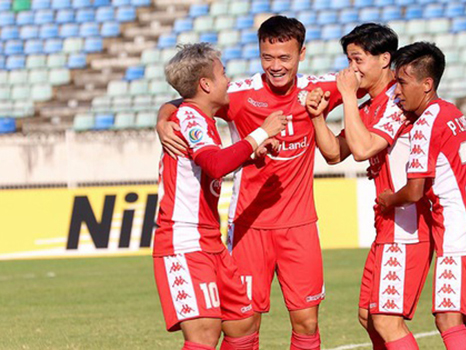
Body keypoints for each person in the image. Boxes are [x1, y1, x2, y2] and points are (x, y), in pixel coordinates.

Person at [156, 16, 342, 350]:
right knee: (242, 323)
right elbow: (186, 100)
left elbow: (369, 80)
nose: (276, 66)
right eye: (267, 57)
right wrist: (161, 119)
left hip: (299, 225)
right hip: (247, 226)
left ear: (302, 53)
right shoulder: (237, 95)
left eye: (284, 57)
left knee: (307, 321)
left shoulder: (321, 89)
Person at [153, 43, 288, 350]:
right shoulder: (190, 118)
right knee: (204, 334)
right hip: (184, 240)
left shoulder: (202, 118)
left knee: (242, 324)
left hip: (209, 240)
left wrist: (252, 155)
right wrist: (261, 133)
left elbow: (210, 163)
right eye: (223, 73)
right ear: (205, 84)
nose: (228, 80)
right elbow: (214, 166)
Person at [305, 24, 432, 350]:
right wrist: (318, 117)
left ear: (384, 58)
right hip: (388, 224)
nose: (352, 69)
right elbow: (335, 154)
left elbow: (362, 149)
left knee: (387, 321)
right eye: (349, 60)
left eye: (358, 59)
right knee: (368, 315)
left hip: (408, 224)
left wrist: (346, 95)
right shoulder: (370, 107)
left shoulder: (397, 101)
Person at [377, 42, 466, 350]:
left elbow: (414, 190)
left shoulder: (424, 125)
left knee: (448, 320)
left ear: (426, 84)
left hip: (456, 233)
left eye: (402, 83)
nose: (396, 91)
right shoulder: (452, 112)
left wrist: (389, 199)